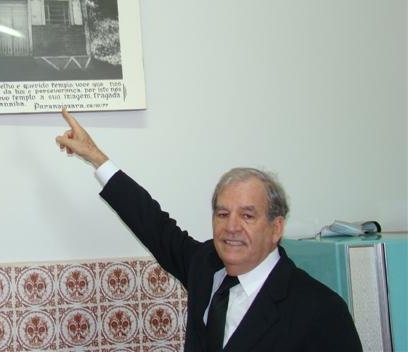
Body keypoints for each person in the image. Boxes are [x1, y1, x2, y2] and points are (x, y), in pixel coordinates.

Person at [55, 108, 362, 352]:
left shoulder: (320, 310)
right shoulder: (206, 266)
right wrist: (96, 157)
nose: (231, 227)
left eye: (248, 216)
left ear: (276, 227)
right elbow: (153, 224)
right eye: (222, 213)